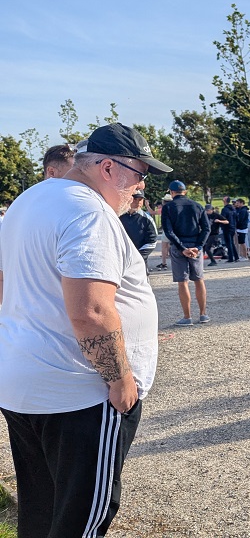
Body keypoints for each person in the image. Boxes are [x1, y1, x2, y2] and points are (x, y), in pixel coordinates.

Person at [0, 122, 171, 536]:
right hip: (80, 394)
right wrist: (120, 380)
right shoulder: (88, 211)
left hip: (25, 385)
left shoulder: (30, 200)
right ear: (109, 169)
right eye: (140, 173)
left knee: (41, 510)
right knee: (82, 519)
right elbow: (92, 310)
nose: (140, 186)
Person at [163, 180, 211, 325]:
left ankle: (187, 316)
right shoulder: (197, 206)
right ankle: (203, 314)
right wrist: (199, 246)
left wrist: (181, 247)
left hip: (179, 246)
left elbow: (168, 231)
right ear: (185, 191)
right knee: (199, 279)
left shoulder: (168, 207)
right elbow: (206, 228)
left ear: (171, 193)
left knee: (182, 282)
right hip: (195, 245)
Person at [120, 191, 158, 269]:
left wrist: (138, 256)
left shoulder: (147, 219)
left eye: (140, 199)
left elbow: (152, 241)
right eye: (135, 199)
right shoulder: (117, 216)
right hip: (120, 260)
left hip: (139, 263)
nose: (137, 202)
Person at [219, 196, 239, 263]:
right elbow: (236, 218)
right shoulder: (233, 209)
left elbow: (223, 218)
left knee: (228, 243)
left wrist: (220, 223)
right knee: (231, 243)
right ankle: (236, 257)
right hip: (233, 227)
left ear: (224, 201)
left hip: (226, 227)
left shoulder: (224, 210)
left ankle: (231, 258)